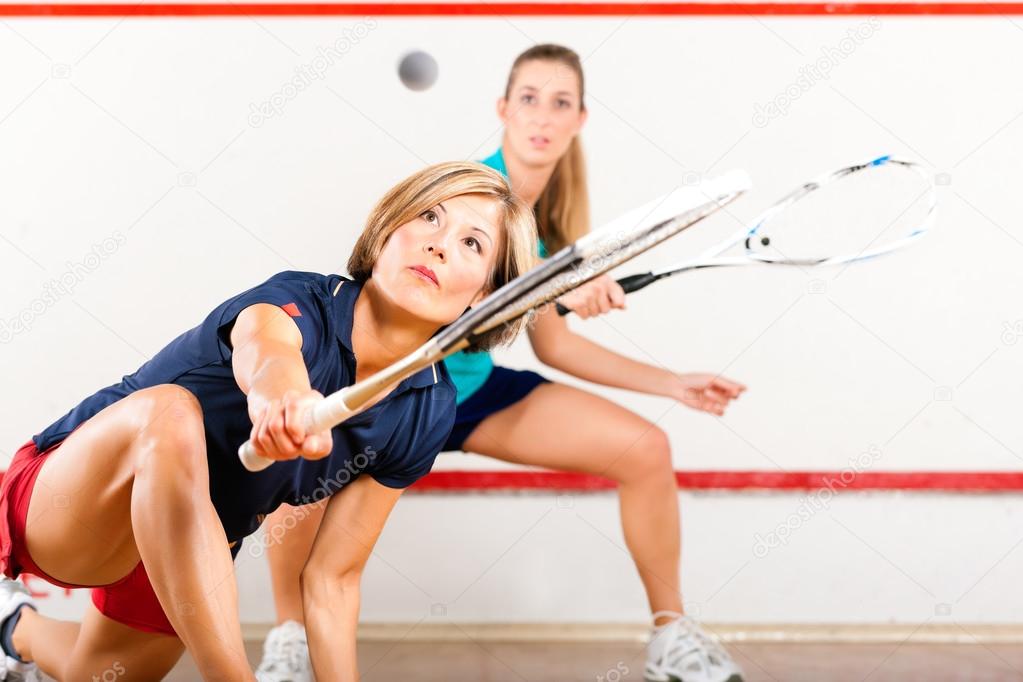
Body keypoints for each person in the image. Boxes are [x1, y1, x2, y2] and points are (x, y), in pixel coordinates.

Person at [256, 45, 747, 682]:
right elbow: (454, 276)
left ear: (579, 120)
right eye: (529, 99)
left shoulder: (550, 222)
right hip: (391, 389)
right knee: (302, 464)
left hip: (467, 392)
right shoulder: (474, 189)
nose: (542, 115)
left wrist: (672, 383)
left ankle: (672, 639)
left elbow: (556, 346)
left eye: (560, 103)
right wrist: (555, 281)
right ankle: (290, 641)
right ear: (503, 109)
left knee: (645, 449)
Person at [0, 161, 536, 681]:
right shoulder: (297, 300)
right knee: (169, 413)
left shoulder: (428, 408)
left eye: (472, 243)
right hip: (70, 504)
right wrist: (282, 401)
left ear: (485, 296)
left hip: (189, 551)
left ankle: (12, 627)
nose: (439, 244)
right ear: (386, 232)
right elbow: (267, 353)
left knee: (92, 674)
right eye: (430, 216)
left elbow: (333, 580)